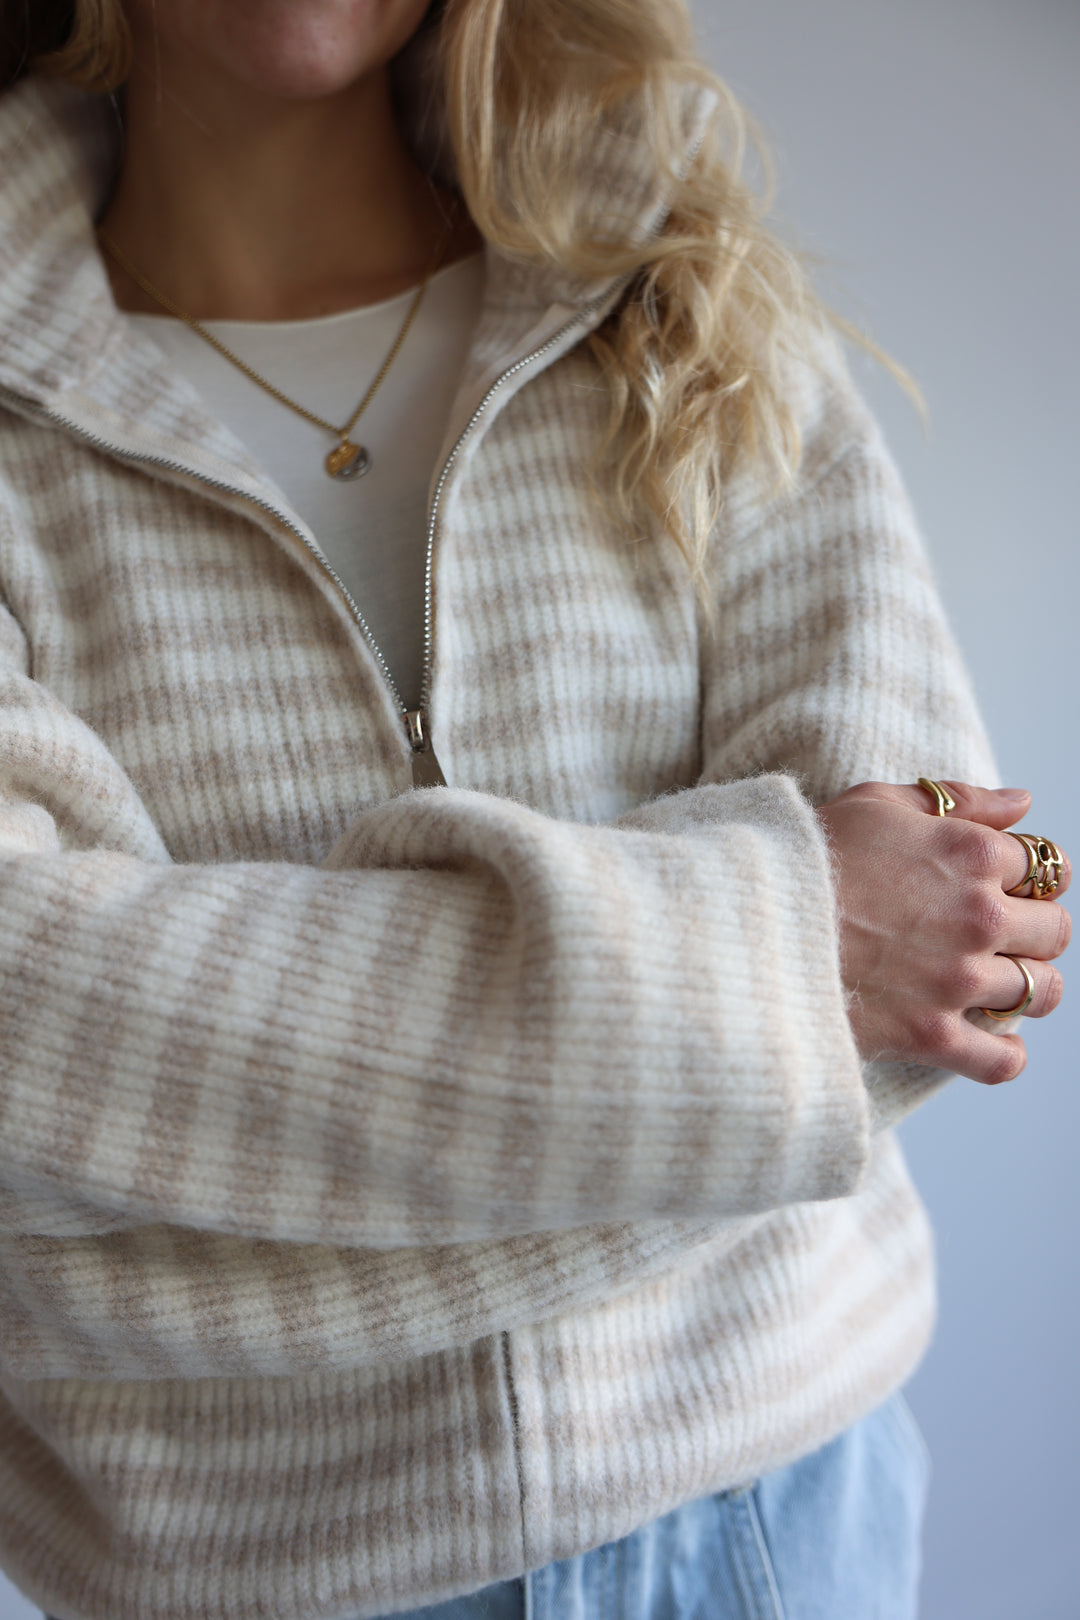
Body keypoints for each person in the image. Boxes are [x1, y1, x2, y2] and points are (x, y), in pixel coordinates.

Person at [0, 1, 1070, 1618]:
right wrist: (778, 985)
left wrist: (187, 1213)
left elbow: (952, 944)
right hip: (260, 1581)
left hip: (779, 1530)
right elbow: (28, 1030)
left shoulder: (683, 291)